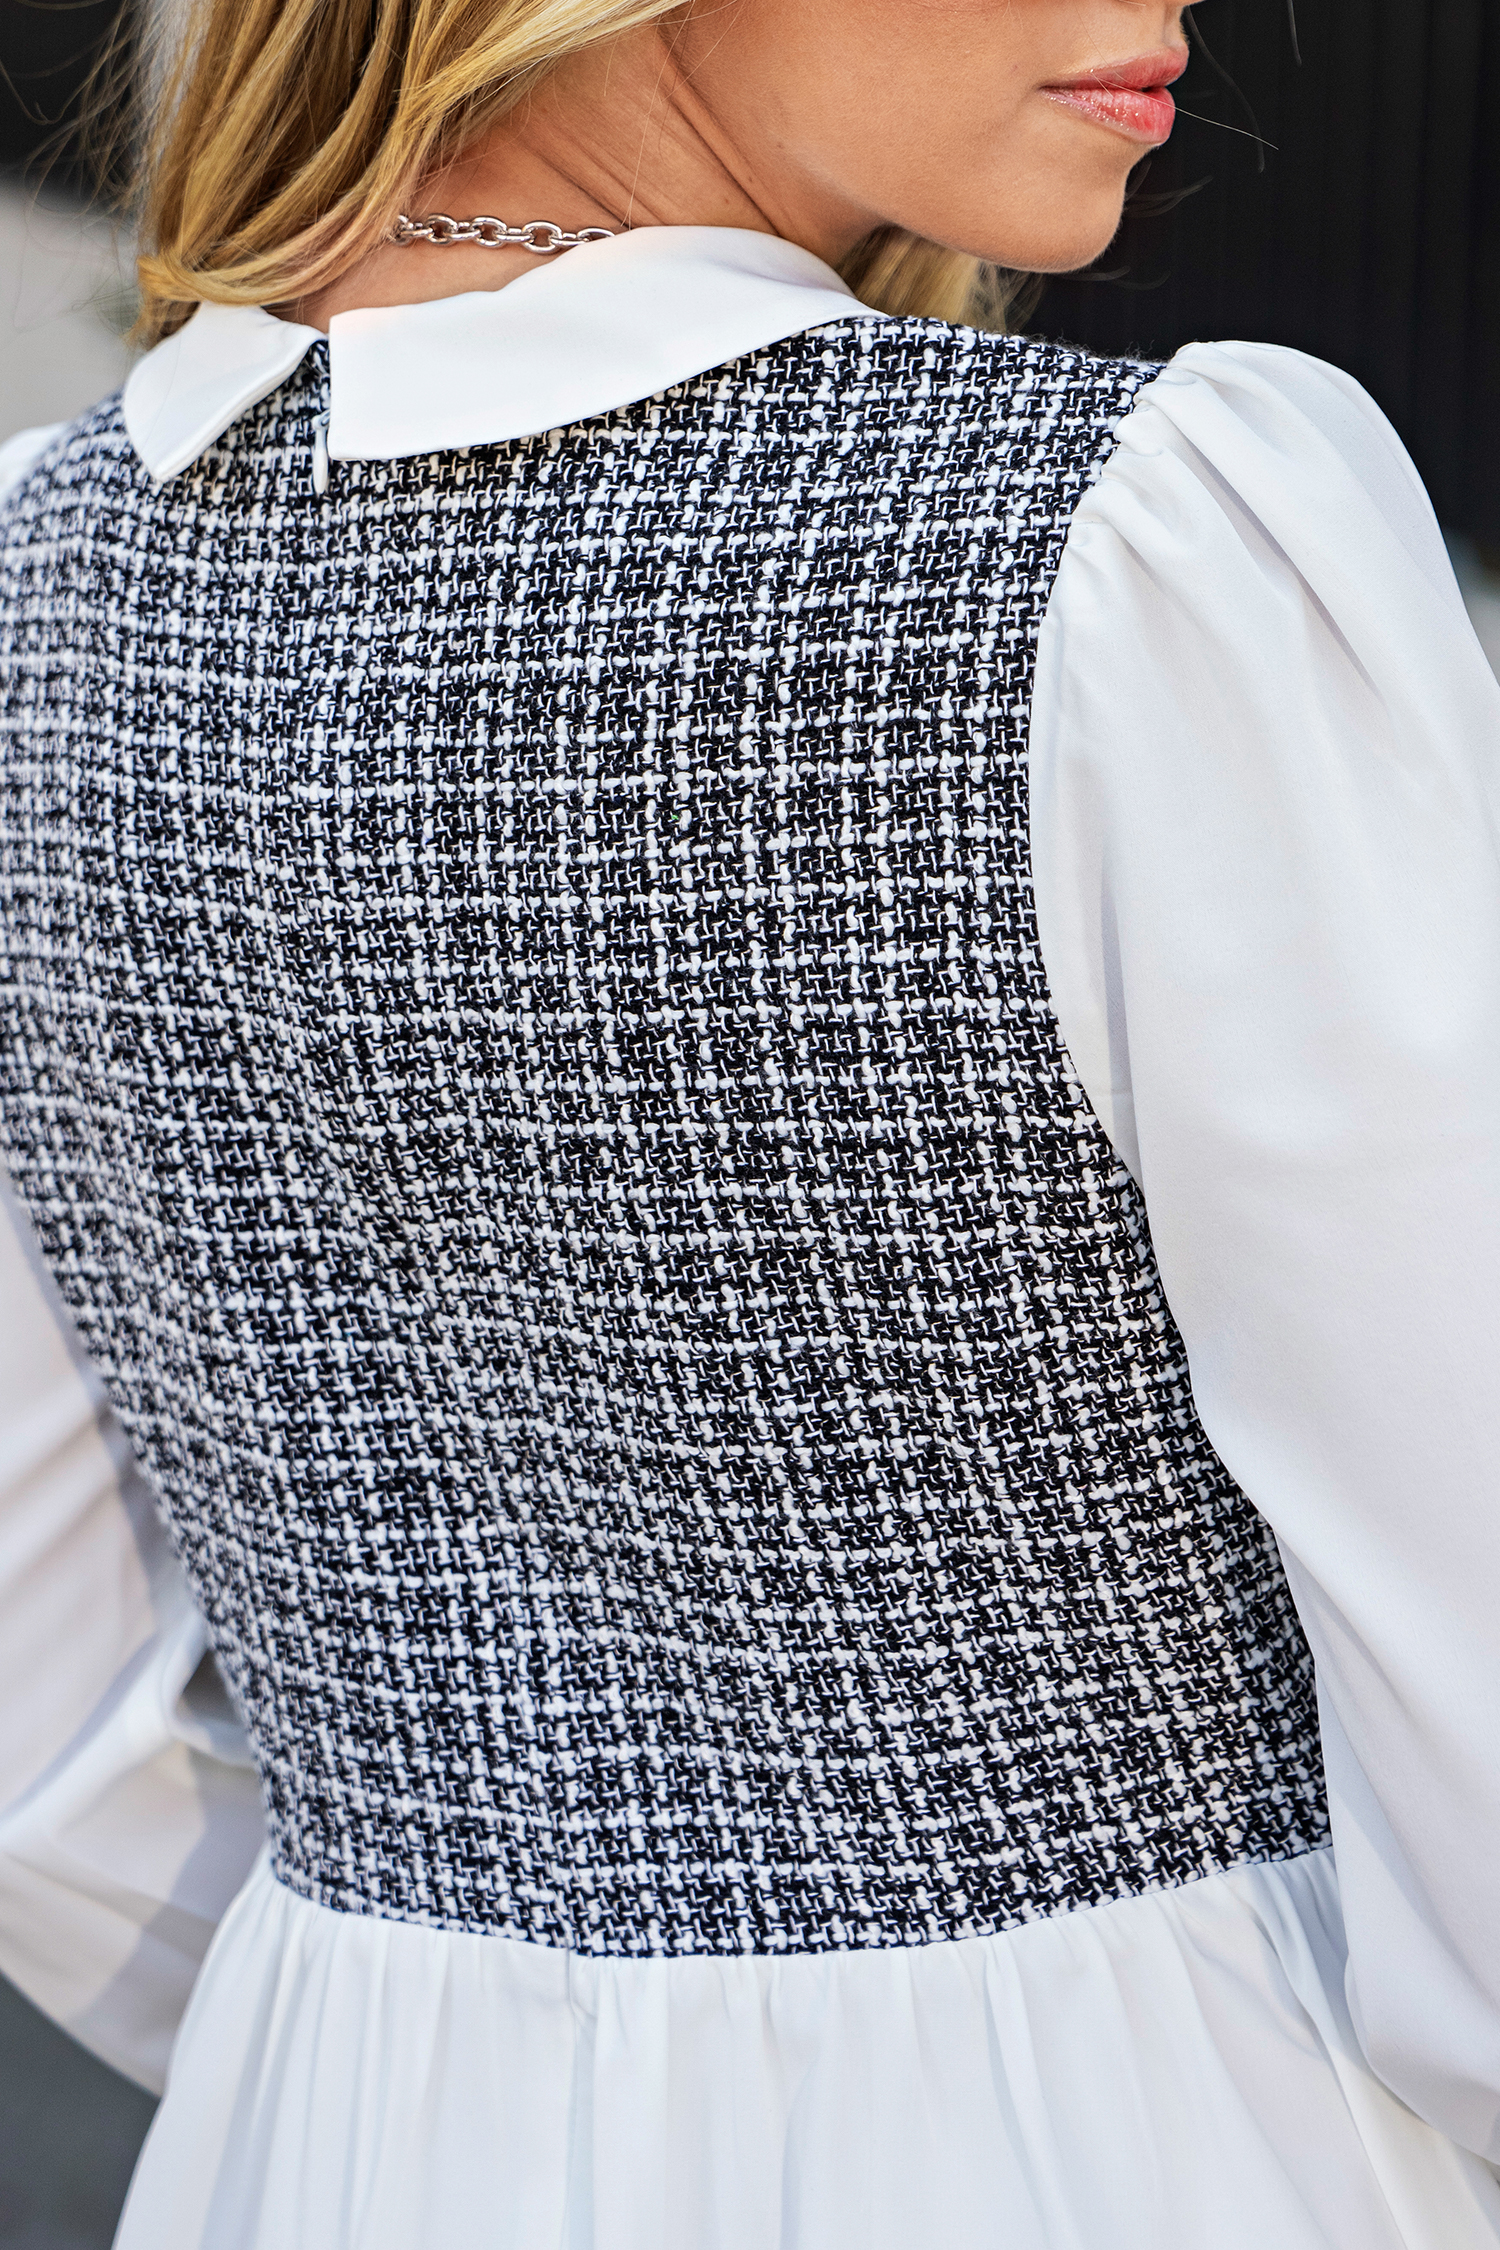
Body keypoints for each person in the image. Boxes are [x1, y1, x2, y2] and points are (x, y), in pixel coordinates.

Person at [2, 0, 1499, 2243]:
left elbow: (46, 1763)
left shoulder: (38, 581)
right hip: (1158, 2132)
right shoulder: (1129, 540)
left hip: (334, 2138)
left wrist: (463, 2044)